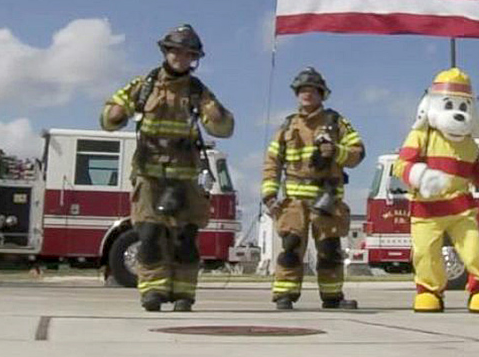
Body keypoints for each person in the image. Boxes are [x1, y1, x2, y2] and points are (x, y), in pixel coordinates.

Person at [101, 24, 234, 312]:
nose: (180, 57)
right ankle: (152, 291)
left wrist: (217, 115)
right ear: (166, 52)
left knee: (185, 238)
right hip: (149, 173)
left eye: (187, 53)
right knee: (149, 234)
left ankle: (184, 294)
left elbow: (224, 128)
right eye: (175, 51)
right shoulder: (144, 84)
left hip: (185, 175)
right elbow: (111, 111)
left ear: (194, 58)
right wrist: (114, 115)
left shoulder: (198, 91)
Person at [393, 67, 479, 313]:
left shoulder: (470, 144)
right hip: (426, 209)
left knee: (474, 250)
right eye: (450, 105)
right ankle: (430, 292)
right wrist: (421, 176)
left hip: (461, 208)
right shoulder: (421, 135)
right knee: (426, 254)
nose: (458, 114)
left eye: (463, 107)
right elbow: (401, 165)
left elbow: (473, 171)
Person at [261, 67, 363, 310]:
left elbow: (358, 153)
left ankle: (332, 296)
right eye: (302, 90)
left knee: (329, 249)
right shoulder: (287, 126)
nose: (307, 95)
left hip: (327, 199)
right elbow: (272, 162)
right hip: (294, 201)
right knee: (291, 247)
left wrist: (336, 152)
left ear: (321, 94)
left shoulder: (336, 122)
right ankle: (284, 295)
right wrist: (269, 194)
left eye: (312, 90)